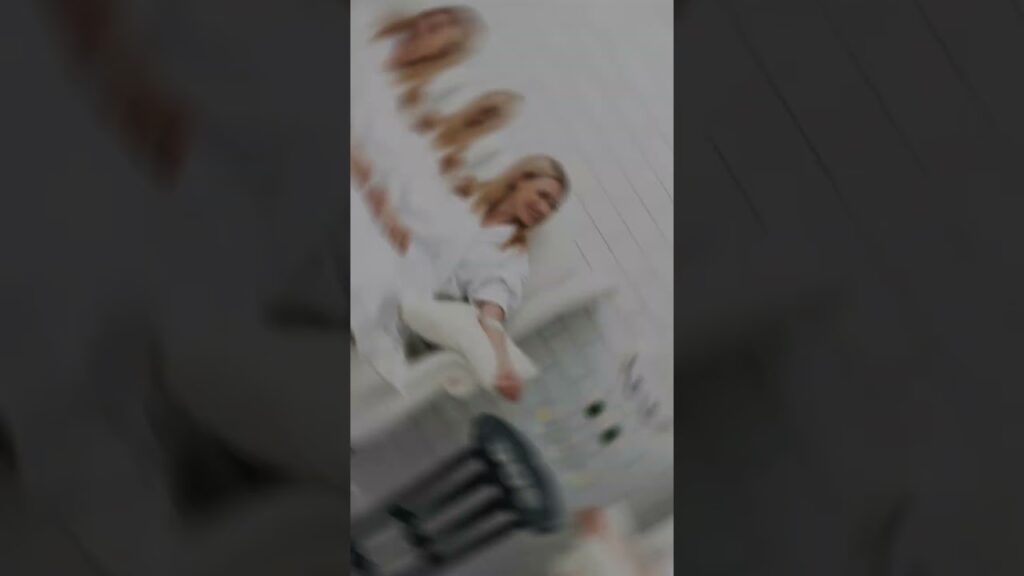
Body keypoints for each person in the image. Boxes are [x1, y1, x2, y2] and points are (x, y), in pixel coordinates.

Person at [353, 154, 569, 401]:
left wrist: (502, 363)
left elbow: (492, 311)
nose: (544, 209)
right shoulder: (461, 190)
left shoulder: (512, 254)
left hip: (407, 304)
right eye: (542, 195)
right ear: (520, 179)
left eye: (553, 206)